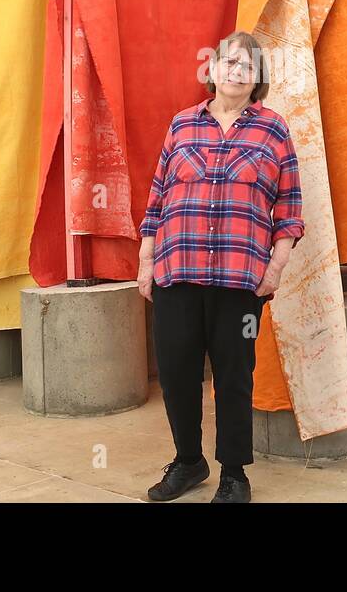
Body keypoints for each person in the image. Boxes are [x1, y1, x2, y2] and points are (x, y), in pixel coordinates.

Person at [137, 30, 305, 503]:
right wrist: (146, 262)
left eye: (246, 65)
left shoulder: (273, 129)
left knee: (235, 375)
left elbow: (289, 209)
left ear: (258, 79)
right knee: (176, 372)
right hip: (177, 269)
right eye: (228, 61)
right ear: (211, 70)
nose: (235, 70)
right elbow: (156, 201)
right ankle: (189, 462)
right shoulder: (182, 125)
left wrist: (273, 271)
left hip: (240, 279)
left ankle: (234, 474)